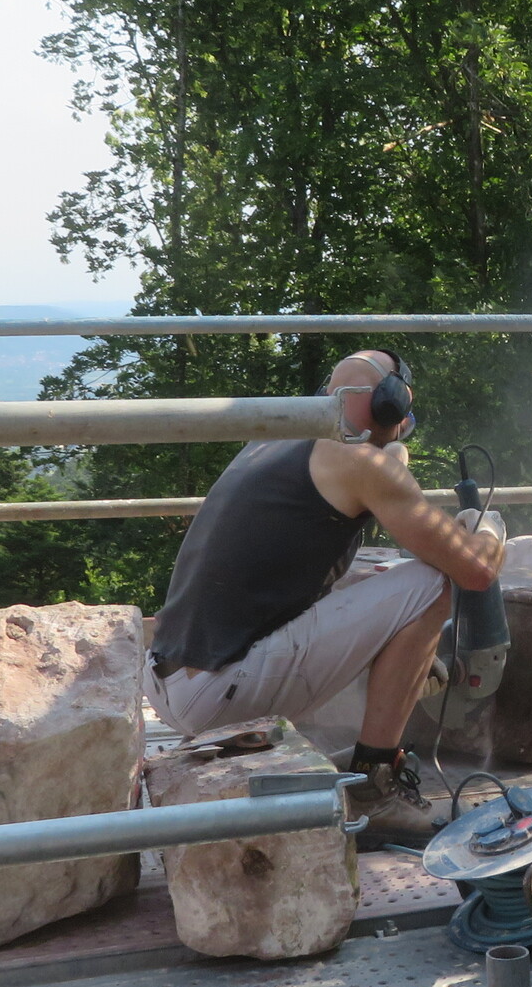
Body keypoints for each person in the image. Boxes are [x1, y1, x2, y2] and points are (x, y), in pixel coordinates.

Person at [147, 350, 504, 847]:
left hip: (169, 680)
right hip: (220, 696)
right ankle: (376, 787)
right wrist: (488, 529)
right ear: (394, 405)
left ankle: (350, 745)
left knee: (376, 574)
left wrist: (409, 648)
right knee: (432, 583)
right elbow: (475, 571)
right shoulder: (361, 462)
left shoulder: (274, 441)